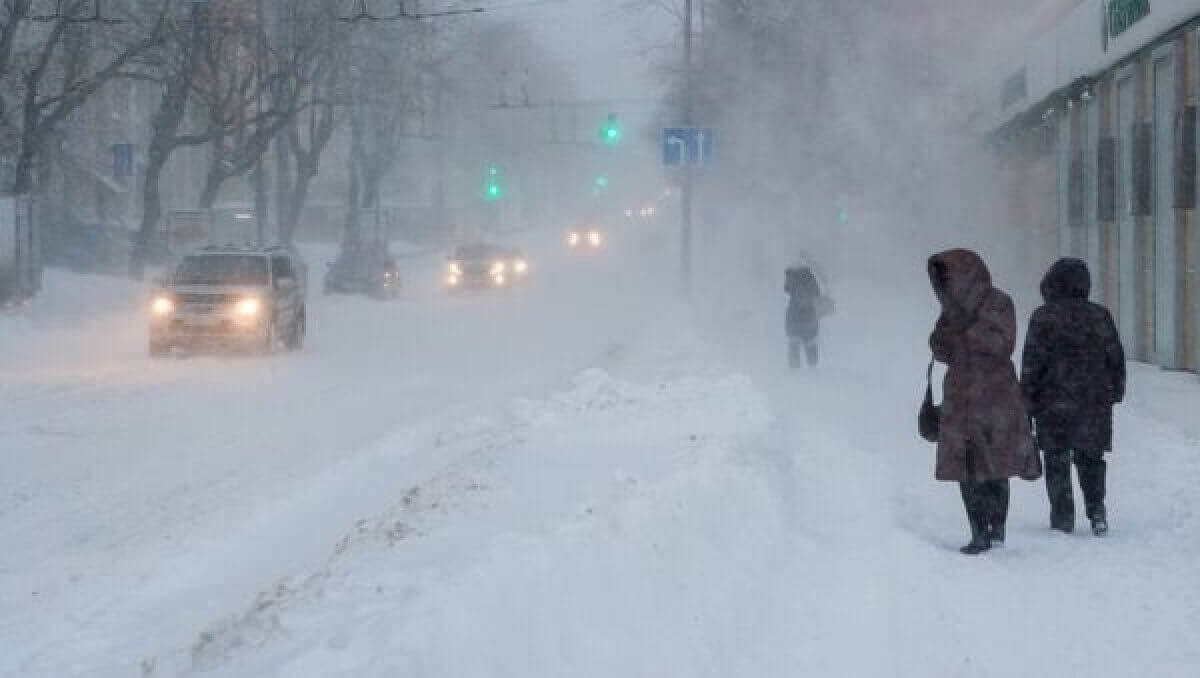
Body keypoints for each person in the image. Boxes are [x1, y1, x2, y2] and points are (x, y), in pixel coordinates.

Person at [928, 249, 1036, 555]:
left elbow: (1002, 343)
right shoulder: (951, 309)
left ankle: (996, 526)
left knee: (996, 463)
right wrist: (946, 341)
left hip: (994, 393)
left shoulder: (998, 302)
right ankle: (979, 532)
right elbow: (939, 346)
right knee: (966, 464)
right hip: (962, 394)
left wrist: (961, 337)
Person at [1020, 258, 1125, 536]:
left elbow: (1032, 363)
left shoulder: (1043, 317)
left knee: (1056, 458)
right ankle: (1096, 509)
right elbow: (1115, 356)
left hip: (1053, 402)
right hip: (1094, 400)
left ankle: (1062, 516)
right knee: (1091, 456)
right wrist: (1116, 390)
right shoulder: (1099, 315)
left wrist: (1026, 403)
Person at [785, 265, 821, 368]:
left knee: (794, 342)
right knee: (810, 341)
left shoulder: (791, 277)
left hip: (794, 316)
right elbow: (817, 293)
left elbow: (787, 290)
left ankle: (794, 368)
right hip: (809, 315)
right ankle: (813, 367)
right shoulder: (810, 278)